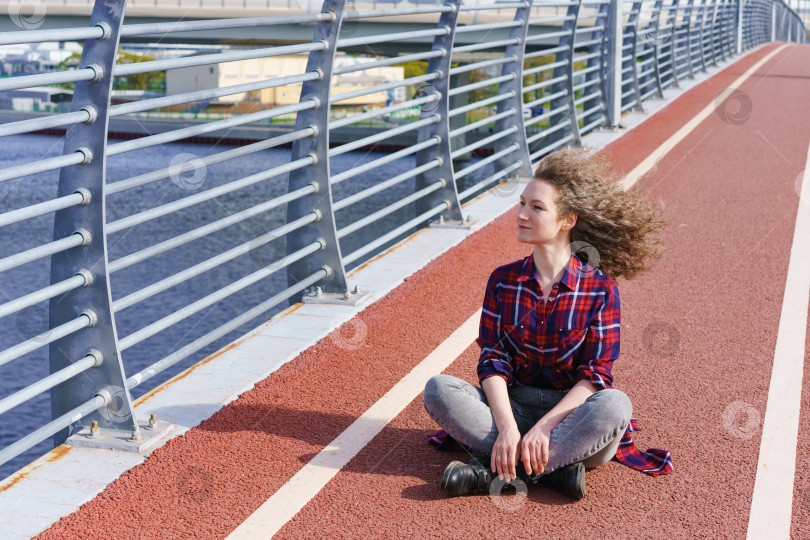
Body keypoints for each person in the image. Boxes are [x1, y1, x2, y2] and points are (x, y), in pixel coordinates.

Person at [423, 148, 674, 501]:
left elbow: (596, 375)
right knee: (438, 389)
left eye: (536, 208)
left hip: (572, 419)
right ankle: (550, 471)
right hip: (510, 408)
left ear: (567, 220)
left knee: (615, 406)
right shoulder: (503, 280)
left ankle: (490, 472)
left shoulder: (601, 288)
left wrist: (544, 427)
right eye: (522, 203)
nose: (521, 214)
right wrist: (509, 427)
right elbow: (492, 360)